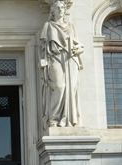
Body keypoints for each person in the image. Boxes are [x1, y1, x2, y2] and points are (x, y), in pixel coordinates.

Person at [39, 0, 84, 128]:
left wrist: (80, 48)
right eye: (57, 7)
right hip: (55, 58)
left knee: (71, 88)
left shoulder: (71, 26)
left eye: (62, 7)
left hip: (70, 59)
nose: (61, 10)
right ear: (52, 10)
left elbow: (78, 44)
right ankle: (54, 118)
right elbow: (42, 48)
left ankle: (67, 121)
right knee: (59, 86)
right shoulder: (48, 26)